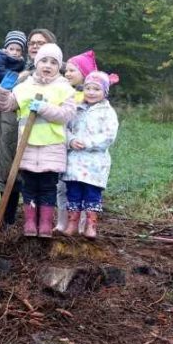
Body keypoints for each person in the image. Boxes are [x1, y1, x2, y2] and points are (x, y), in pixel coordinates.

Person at [0, 43, 76, 238]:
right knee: (28, 186)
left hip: (51, 147)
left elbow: (67, 114)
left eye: (54, 62)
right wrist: (3, 91)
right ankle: (30, 222)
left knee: (48, 187)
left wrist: (44, 108)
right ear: (36, 63)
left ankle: (45, 223)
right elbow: (6, 106)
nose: (48, 65)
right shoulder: (24, 87)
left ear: (59, 67)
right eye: (44, 61)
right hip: (27, 147)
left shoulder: (64, 88)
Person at [0, 28, 57, 227]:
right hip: (8, 126)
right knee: (7, 171)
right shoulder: (17, 65)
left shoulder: (53, 72)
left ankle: (39, 223)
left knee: (34, 177)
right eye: (32, 43)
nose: (34, 46)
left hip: (38, 133)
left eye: (40, 43)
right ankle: (7, 220)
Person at [61, 71, 120, 239]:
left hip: (95, 163)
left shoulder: (107, 112)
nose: (91, 92)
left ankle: (91, 225)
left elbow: (109, 135)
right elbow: (65, 128)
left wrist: (88, 142)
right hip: (75, 161)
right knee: (73, 192)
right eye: (88, 88)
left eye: (96, 89)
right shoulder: (76, 109)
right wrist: (71, 141)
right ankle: (72, 223)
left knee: (92, 194)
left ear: (105, 92)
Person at [56, 49, 95, 233]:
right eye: (67, 70)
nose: (68, 73)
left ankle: (81, 224)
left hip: (83, 154)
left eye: (73, 70)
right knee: (61, 187)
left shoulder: (90, 99)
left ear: (85, 74)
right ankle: (62, 222)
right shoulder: (62, 92)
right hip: (63, 148)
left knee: (82, 188)